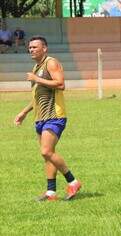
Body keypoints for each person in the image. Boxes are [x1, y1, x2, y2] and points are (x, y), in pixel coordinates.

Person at [14, 36, 81, 201]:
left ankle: (73, 181)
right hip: (40, 117)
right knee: (47, 155)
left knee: (46, 151)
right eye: (30, 47)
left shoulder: (51, 63)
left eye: (35, 47)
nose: (31, 50)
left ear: (45, 48)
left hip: (54, 116)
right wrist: (24, 112)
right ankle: (51, 192)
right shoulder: (36, 67)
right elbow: (38, 96)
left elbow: (61, 84)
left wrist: (36, 79)